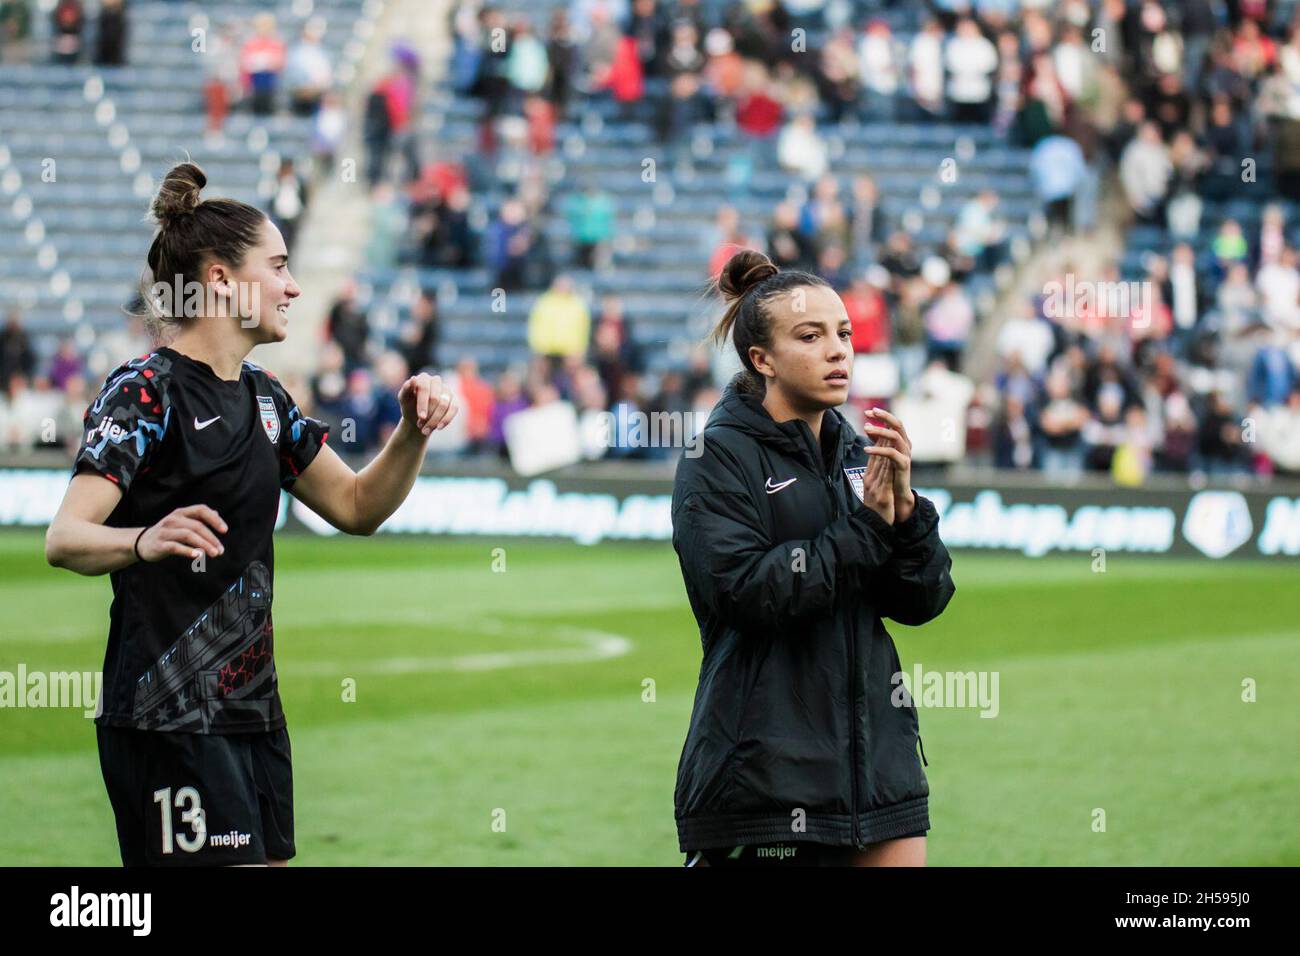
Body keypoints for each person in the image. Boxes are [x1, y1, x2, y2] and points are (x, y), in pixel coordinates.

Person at [43, 162, 459, 867]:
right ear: (219, 279)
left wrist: (412, 433)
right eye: (278, 266)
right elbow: (65, 538)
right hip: (166, 715)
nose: (293, 286)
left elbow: (357, 507)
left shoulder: (268, 400)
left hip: (252, 710)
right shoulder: (146, 393)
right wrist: (144, 539)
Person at [672, 250, 956, 867]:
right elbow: (748, 591)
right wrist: (867, 527)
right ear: (761, 359)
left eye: (844, 334)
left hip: (878, 769)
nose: (838, 350)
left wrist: (906, 516)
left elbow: (922, 600)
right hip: (767, 776)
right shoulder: (714, 459)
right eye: (812, 336)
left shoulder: (859, 452)